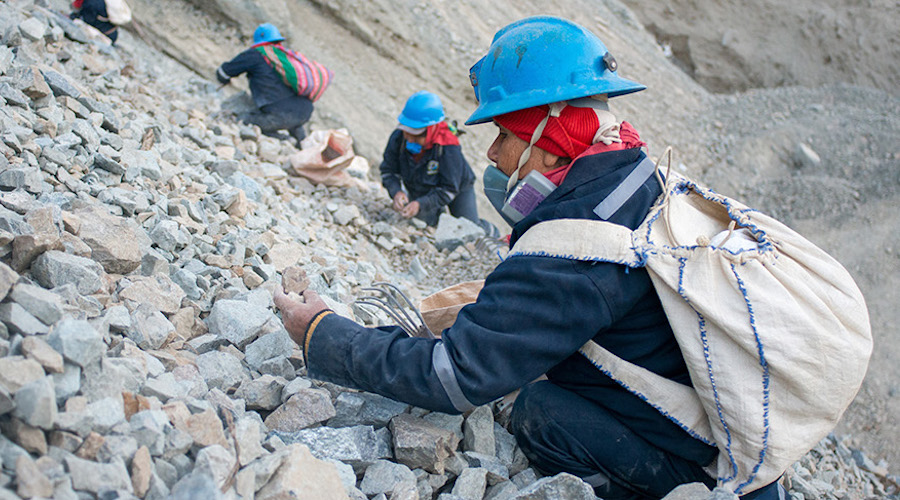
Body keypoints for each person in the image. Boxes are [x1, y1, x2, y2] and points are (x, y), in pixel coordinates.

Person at [274, 16, 786, 500]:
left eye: (504, 135)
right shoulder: (634, 171)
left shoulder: (576, 245)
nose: (493, 155)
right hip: (737, 426)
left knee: (539, 410)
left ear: (553, 136)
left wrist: (322, 332)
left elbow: (453, 375)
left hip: (713, 469)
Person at [381, 91, 498, 235]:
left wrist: (421, 203)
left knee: (468, 229)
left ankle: (490, 231)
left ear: (431, 129)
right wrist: (396, 192)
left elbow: (449, 188)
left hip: (457, 187)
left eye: (416, 135)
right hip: (421, 185)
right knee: (424, 221)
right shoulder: (398, 138)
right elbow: (388, 171)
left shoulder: (448, 147)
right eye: (407, 132)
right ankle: (437, 216)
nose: (409, 139)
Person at [216, 23, 315, 144]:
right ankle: (300, 143)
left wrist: (224, 80)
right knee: (287, 115)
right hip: (304, 110)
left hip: (281, 114)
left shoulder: (255, 54)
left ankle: (284, 140)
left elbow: (224, 72)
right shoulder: (283, 57)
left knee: (243, 120)